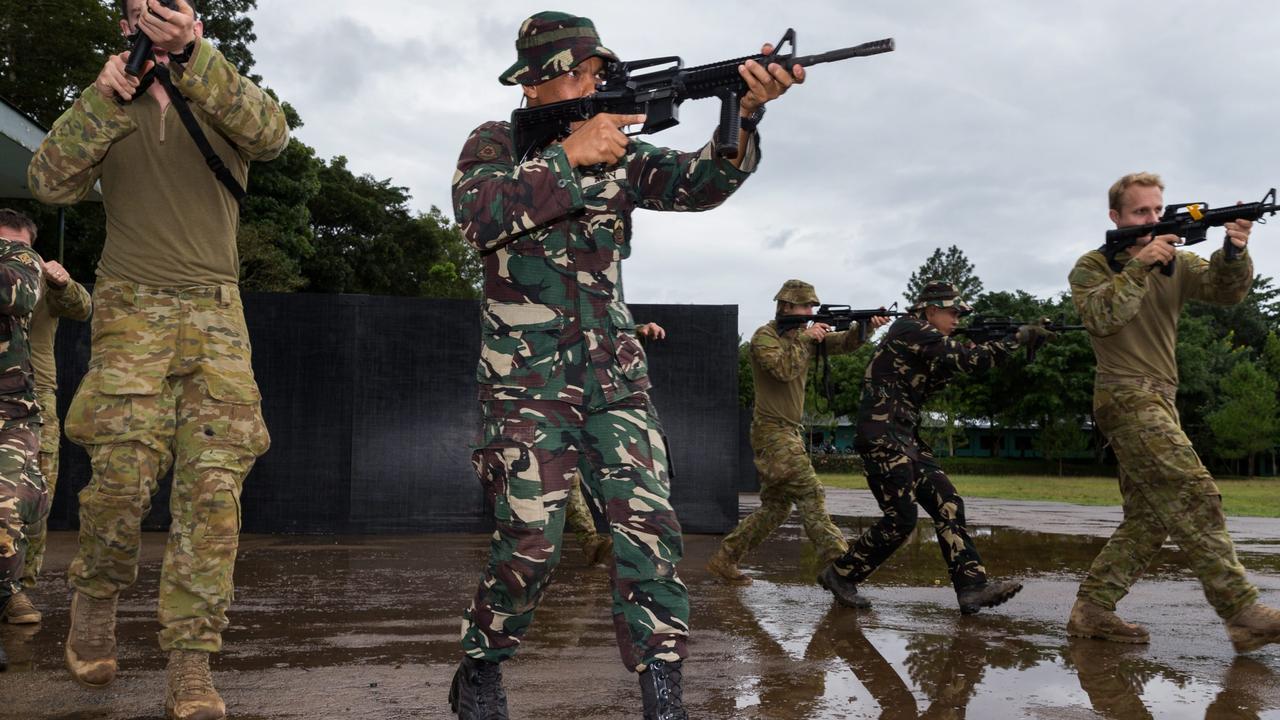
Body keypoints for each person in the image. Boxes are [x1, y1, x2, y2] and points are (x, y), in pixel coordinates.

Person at [448, 11, 801, 720]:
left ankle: (662, 683)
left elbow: (697, 184)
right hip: (526, 382)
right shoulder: (495, 141)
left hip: (615, 375)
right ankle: (481, 664)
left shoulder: (620, 148)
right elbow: (477, 216)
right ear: (540, 83)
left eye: (596, 71)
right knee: (530, 546)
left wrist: (748, 116)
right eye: (580, 73)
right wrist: (567, 157)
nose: (594, 83)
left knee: (650, 530)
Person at [27, 0, 286, 715]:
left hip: (215, 310)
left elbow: (272, 137)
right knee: (121, 476)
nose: (155, 20)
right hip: (130, 304)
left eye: (168, 7)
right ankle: (96, 601)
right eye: (141, 10)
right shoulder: (109, 99)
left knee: (214, 495)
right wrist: (102, 95)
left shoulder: (221, 87)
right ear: (124, 25)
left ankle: (192, 664)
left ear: (193, 18)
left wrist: (198, 59)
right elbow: (48, 182)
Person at [1067, 172, 1280, 651]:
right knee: (1193, 492)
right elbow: (1103, 317)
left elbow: (1227, 292)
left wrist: (1234, 249)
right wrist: (1140, 265)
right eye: (1141, 212)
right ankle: (1241, 612)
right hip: (1124, 394)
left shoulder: (1177, 262)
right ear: (1116, 217)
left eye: (1157, 211)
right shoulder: (1093, 266)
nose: (1152, 220)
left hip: (1162, 396)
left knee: (1150, 519)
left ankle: (1093, 610)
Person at [820, 282, 1039, 614]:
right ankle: (840, 574)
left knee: (947, 503)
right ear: (931, 310)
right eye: (953, 312)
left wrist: (987, 342)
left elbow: (950, 363)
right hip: (883, 434)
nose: (957, 319)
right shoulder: (911, 329)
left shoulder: (924, 341)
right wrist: (1016, 339)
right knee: (901, 519)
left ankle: (972, 589)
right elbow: (969, 361)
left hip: (904, 436)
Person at [706, 280, 885, 585]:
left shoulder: (804, 338)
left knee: (776, 508)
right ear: (787, 306)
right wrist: (805, 339)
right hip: (771, 432)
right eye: (806, 306)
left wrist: (866, 327)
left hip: (788, 432)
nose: (811, 311)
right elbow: (782, 370)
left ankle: (725, 559)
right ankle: (841, 567)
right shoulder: (764, 337)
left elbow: (843, 343)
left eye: (813, 307)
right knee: (810, 492)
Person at [3, 249, 92, 626]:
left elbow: (83, 308)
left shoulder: (38, 278)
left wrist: (63, 281)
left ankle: (19, 587)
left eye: (22, 247)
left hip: (37, 395)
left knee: (37, 492)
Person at [565, 321, 666, 566]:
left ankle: (628, 543)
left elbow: (608, 334)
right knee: (564, 474)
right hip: (558, 404)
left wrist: (640, 330)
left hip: (595, 409)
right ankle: (591, 542)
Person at [0, 209, 48, 672]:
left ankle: (10, 593)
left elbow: (18, 292)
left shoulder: (21, 264)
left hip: (10, 411)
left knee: (13, 507)